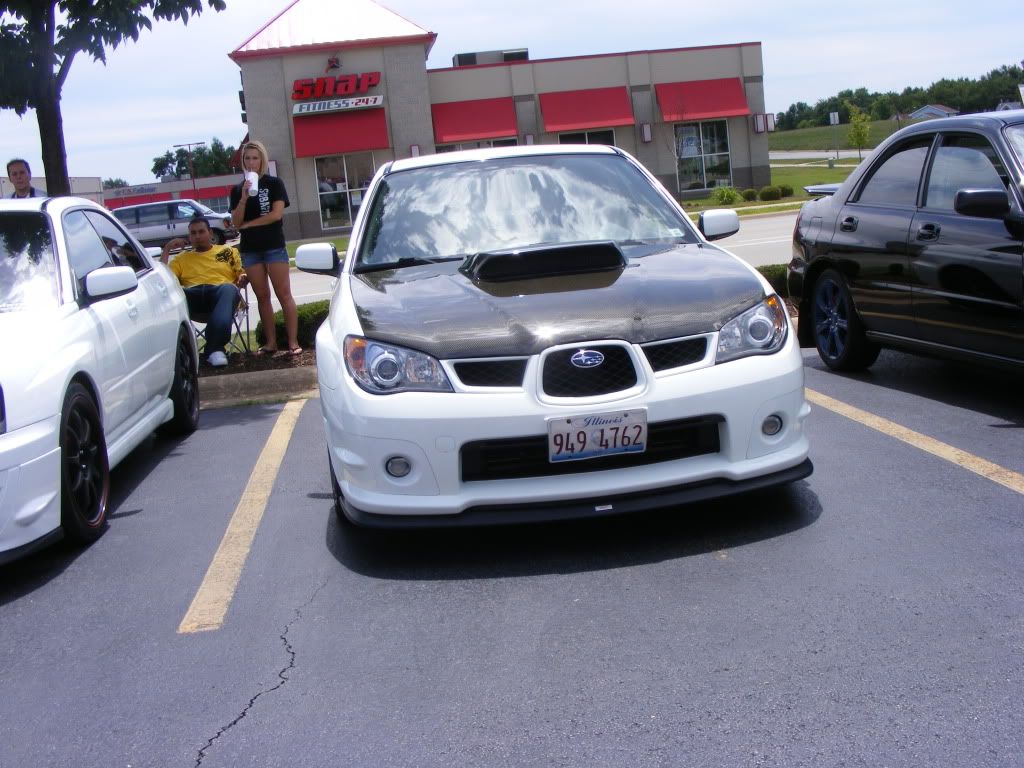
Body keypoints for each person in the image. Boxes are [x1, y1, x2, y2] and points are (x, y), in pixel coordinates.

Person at [229, 140, 301, 356]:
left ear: (262, 160)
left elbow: (276, 214)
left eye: (255, 158)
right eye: (247, 158)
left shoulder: (274, 184)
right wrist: (243, 198)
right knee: (262, 296)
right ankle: (271, 343)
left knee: (284, 294)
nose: (251, 162)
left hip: (273, 246)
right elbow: (236, 222)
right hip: (250, 250)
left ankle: (293, 342)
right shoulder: (237, 190)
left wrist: (249, 225)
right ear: (243, 162)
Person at [162, 217, 248, 367]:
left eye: (201, 232)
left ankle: (215, 350)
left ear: (210, 233)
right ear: (189, 237)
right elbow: (163, 281)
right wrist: (167, 249)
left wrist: (243, 277)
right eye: (193, 233)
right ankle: (214, 349)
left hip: (220, 295)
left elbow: (241, 274)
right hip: (192, 297)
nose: (197, 236)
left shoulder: (227, 251)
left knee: (229, 288)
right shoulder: (181, 258)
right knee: (178, 293)